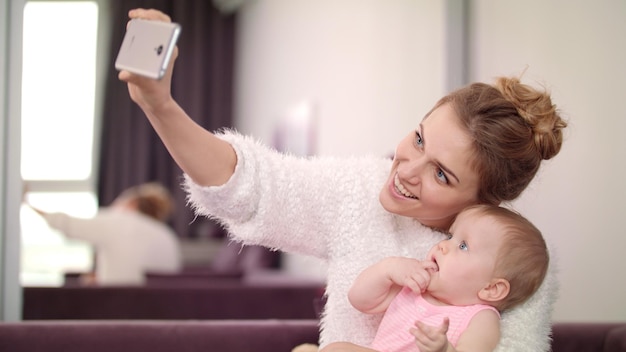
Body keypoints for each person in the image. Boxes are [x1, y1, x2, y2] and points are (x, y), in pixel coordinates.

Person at [118, 9, 567, 350]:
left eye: (441, 174)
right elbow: (250, 186)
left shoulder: (510, 264)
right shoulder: (358, 190)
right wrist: (161, 105)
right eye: (418, 138)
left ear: (481, 202)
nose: (406, 170)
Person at [319, 204, 549, 352]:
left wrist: (444, 349)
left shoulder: (481, 317)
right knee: (335, 349)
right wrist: (389, 269)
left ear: (492, 289)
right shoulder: (416, 284)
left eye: (463, 245)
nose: (443, 246)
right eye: (450, 236)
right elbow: (359, 299)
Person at [28, 182, 182, 285]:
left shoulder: (117, 221)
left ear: (132, 203)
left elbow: (65, 223)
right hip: (158, 312)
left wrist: (26, 203)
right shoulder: (167, 236)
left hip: (117, 307)